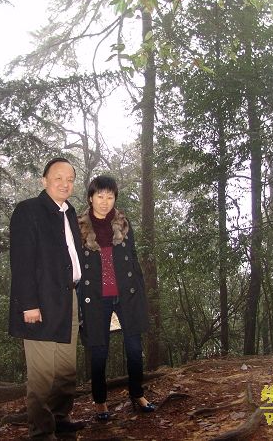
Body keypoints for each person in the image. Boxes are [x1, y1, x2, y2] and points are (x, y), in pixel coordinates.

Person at [9, 157, 85, 440]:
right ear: (44, 180)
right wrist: (29, 304)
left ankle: (61, 419)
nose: (65, 184)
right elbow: (22, 261)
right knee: (43, 373)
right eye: (58, 178)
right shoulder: (28, 210)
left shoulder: (69, 213)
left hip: (69, 297)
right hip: (41, 302)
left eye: (70, 179)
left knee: (66, 368)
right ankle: (41, 431)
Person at [78, 175, 155, 421]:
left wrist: (140, 292)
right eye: (100, 196)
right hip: (95, 297)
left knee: (134, 348)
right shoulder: (78, 227)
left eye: (109, 197)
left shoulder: (123, 223)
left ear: (115, 198)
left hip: (126, 295)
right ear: (90, 198)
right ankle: (100, 401)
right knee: (99, 352)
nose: (104, 201)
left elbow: (133, 258)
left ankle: (137, 394)